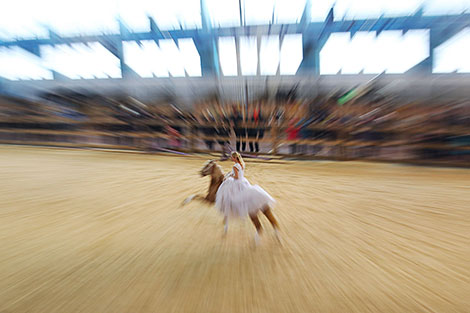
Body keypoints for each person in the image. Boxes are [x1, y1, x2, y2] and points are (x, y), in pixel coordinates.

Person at [215, 151, 279, 244]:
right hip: (243, 182)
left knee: (231, 197)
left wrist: (230, 175)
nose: (230, 158)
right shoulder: (242, 164)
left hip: (237, 183)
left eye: (231, 157)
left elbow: (236, 177)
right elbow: (240, 174)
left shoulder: (234, 166)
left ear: (234, 158)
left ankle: (229, 212)